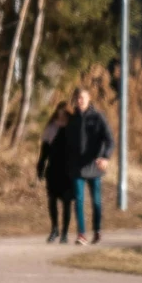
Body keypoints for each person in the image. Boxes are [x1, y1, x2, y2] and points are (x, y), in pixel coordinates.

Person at [62, 83, 113, 244]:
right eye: (77, 98)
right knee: (78, 200)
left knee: (96, 201)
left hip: (94, 166)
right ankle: (81, 234)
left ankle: (97, 229)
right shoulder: (71, 120)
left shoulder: (97, 117)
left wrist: (105, 157)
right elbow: (66, 143)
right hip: (77, 167)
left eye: (82, 97)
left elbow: (110, 140)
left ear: (88, 98)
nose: (80, 101)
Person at [36, 101, 73, 242]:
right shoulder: (51, 128)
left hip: (68, 171)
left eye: (65, 113)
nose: (62, 116)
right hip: (53, 169)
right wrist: (40, 166)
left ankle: (65, 233)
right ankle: (54, 229)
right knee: (52, 200)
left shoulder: (72, 128)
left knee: (67, 202)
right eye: (60, 112)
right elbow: (44, 150)